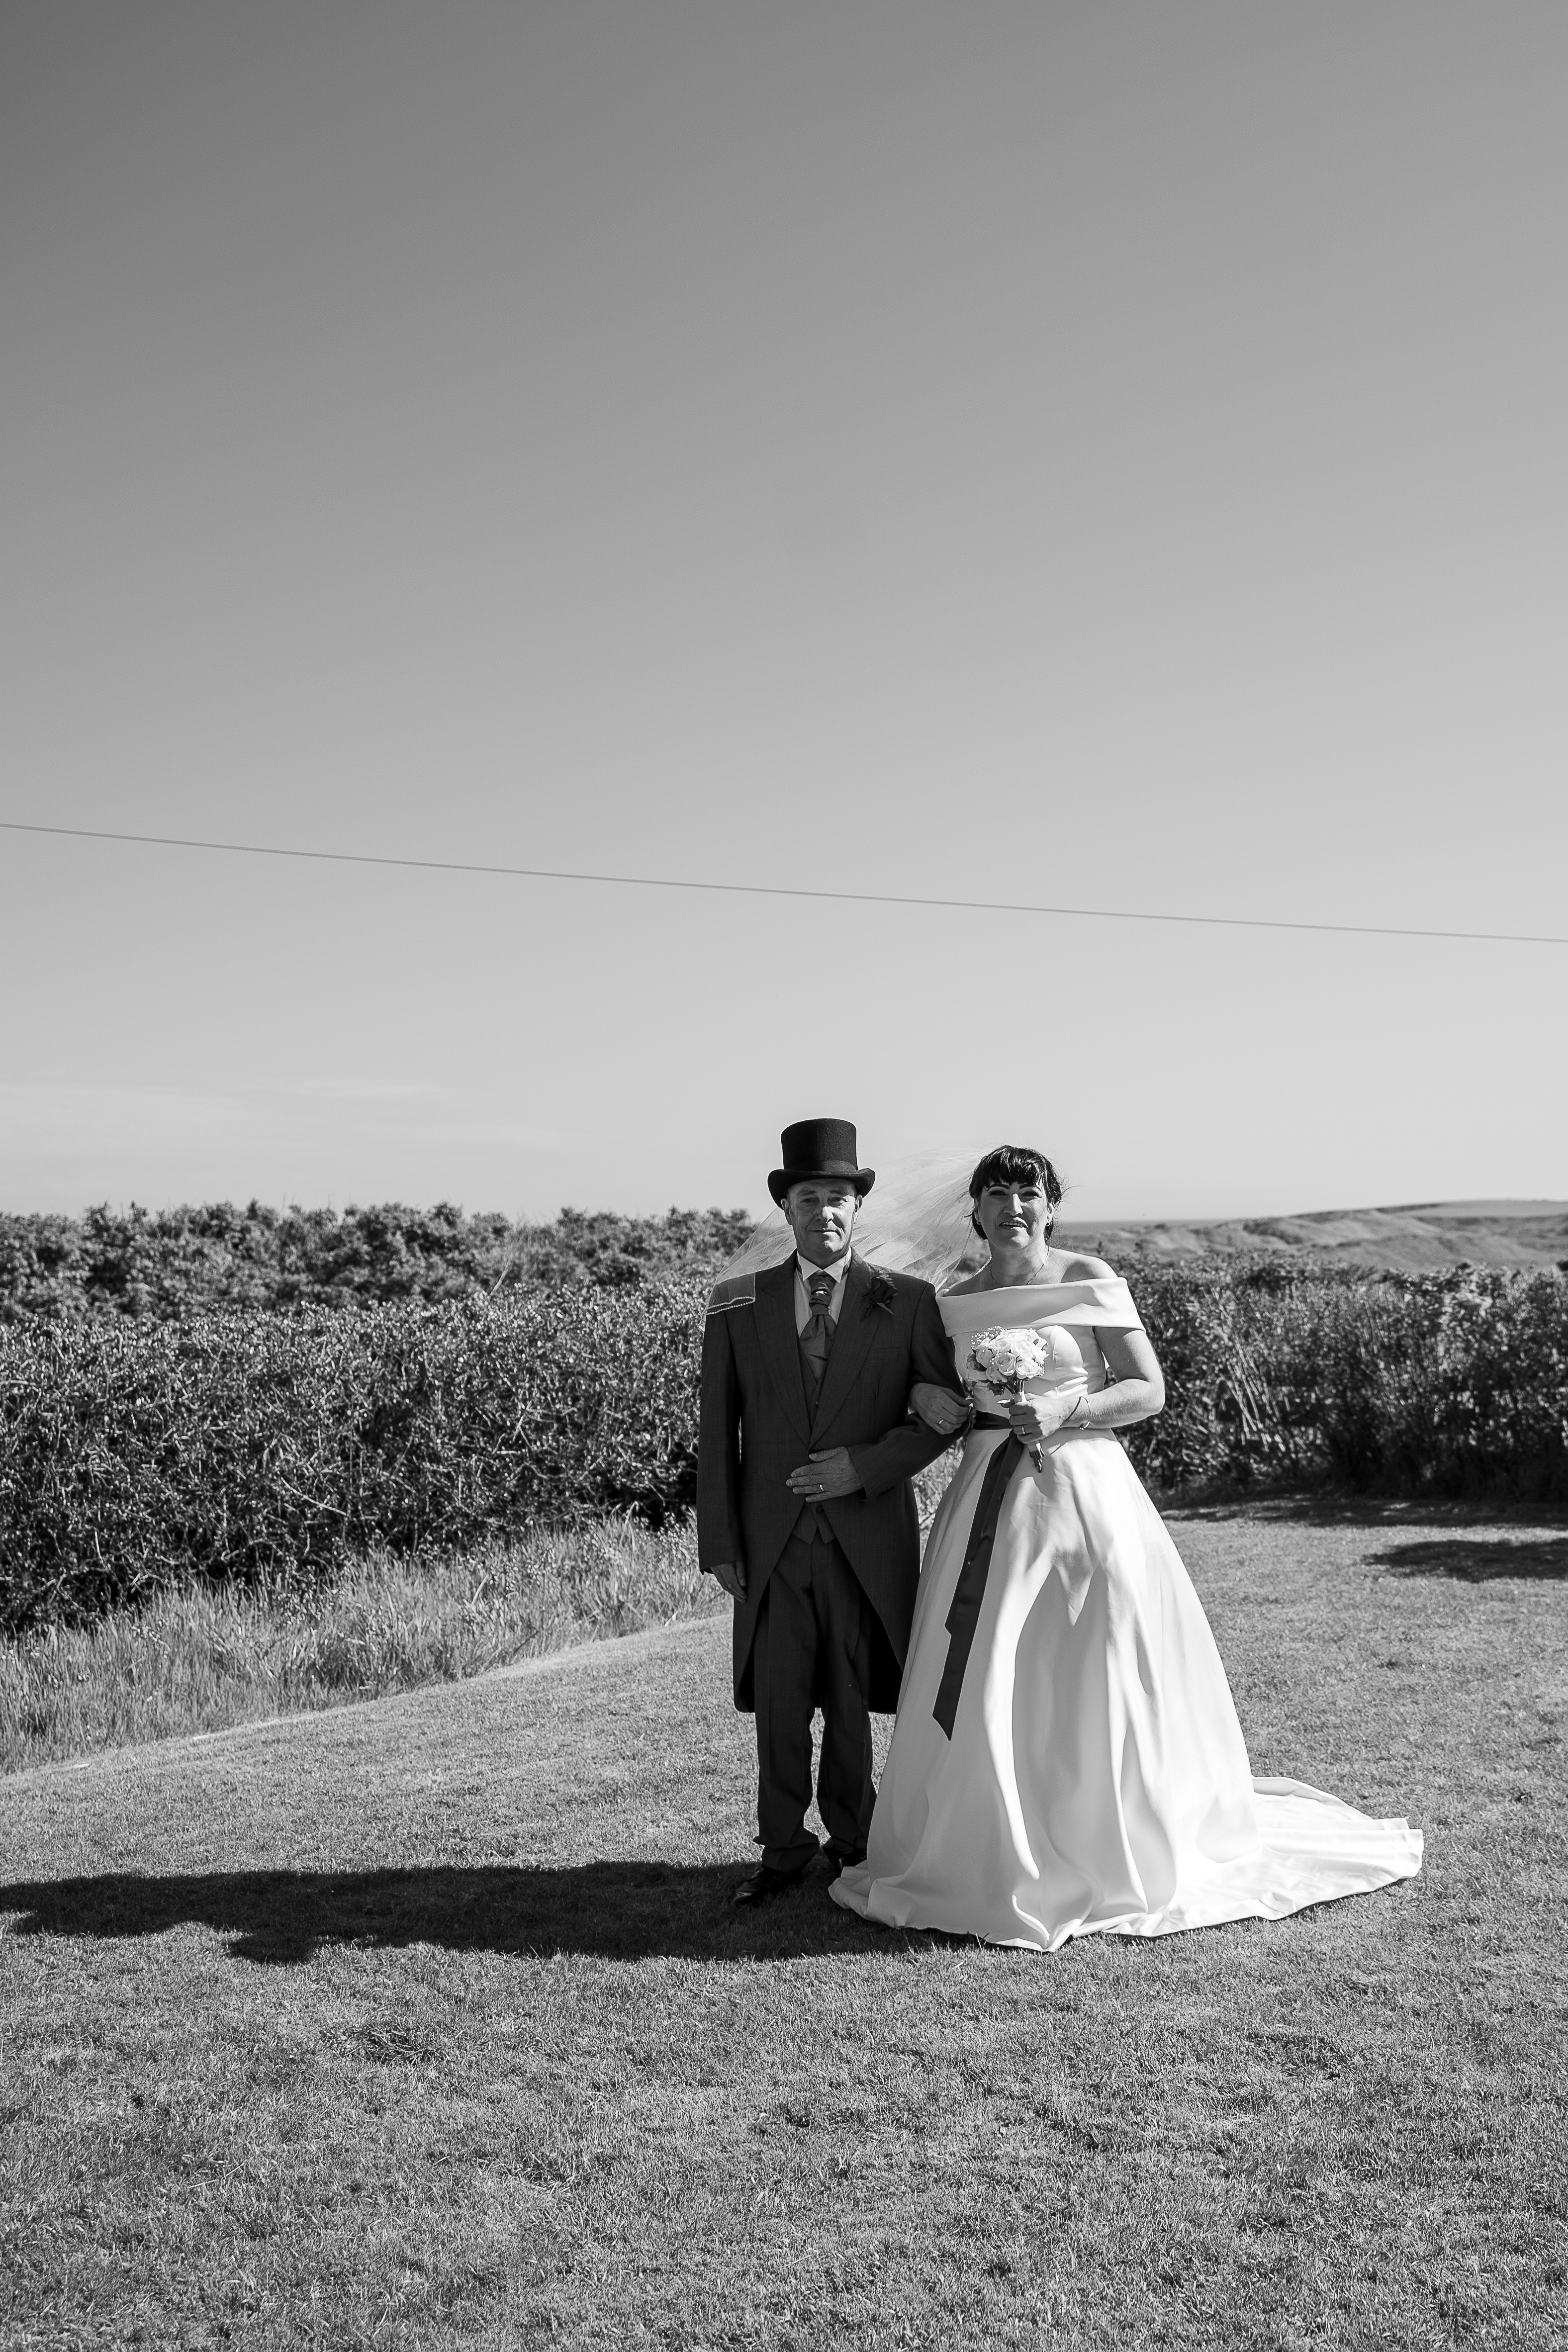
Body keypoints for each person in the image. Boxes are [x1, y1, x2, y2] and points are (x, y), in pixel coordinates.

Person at [830, 1144, 1422, 1947]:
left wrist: (1068, 1413)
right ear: (974, 1209)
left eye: (1028, 1191)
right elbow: (928, 1388)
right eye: (997, 1192)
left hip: (1083, 1492)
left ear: (1050, 1204)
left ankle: (1106, 1832)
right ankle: (989, 1837)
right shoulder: (951, 1301)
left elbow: (1147, 1388)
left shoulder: (1089, 1277)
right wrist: (926, 1390)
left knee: (1095, 1651)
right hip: (984, 1498)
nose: (1013, 1205)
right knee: (984, 1653)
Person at [698, 1118, 965, 1906]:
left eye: (839, 1197)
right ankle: (782, 1849)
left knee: (849, 1700)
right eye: (810, 1196)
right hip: (771, 1540)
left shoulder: (910, 1301)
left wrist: (864, 1465)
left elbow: (939, 1419)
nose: (825, 1210)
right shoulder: (735, 1303)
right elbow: (717, 1431)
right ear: (787, 1208)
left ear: (858, 1209)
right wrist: (719, 1540)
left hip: (864, 1536)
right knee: (779, 1704)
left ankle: (854, 1840)